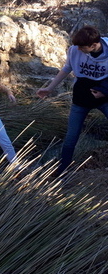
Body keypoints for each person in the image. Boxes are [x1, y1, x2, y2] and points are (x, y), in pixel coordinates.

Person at [37, 26, 108, 176]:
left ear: (94, 45)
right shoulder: (75, 50)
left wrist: (104, 92)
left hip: (104, 96)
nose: (79, 50)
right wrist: (49, 88)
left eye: (83, 47)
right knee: (71, 136)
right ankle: (62, 169)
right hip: (81, 97)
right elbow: (67, 68)